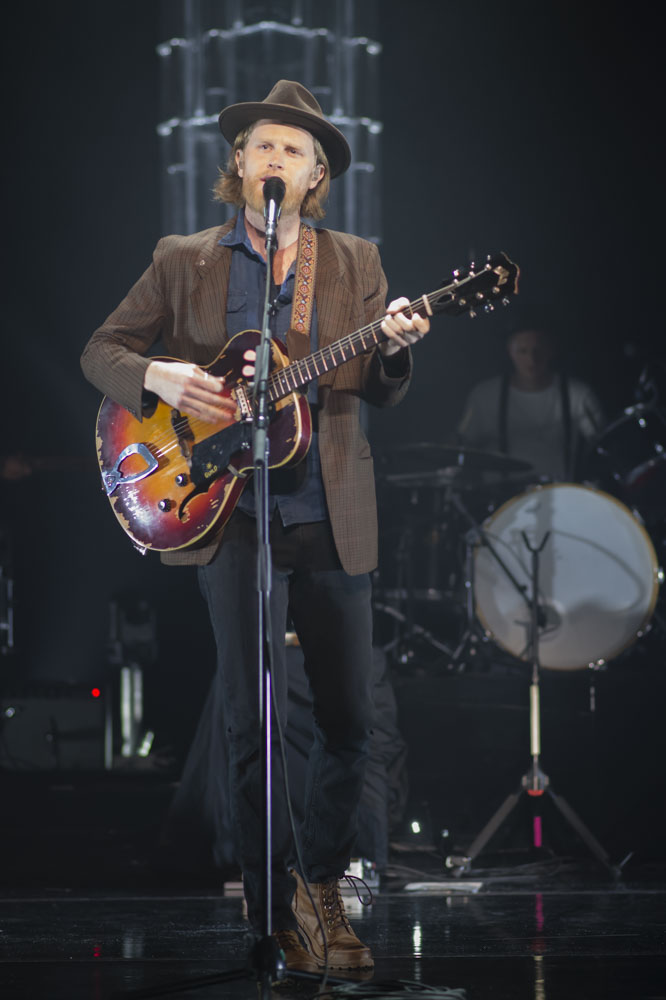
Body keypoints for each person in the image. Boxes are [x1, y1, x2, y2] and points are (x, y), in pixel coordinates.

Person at [81, 80, 429, 973]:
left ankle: (320, 889)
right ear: (238, 164)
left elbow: (379, 387)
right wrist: (161, 377)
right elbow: (100, 351)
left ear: (316, 177)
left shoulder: (354, 261)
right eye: (261, 145)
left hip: (330, 515)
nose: (275, 158)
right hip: (228, 512)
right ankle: (271, 914)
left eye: (293, 150)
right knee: (250, 722)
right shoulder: (185, 259)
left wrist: (393, 348)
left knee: (350, 722)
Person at [458, 326, 604, 482]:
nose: (531, 359)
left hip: (562, 492)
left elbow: (602, 442)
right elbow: (462, 441)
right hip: (501, 494)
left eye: (538, 350)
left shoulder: (578, 394)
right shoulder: (485, 395)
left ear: (550, 350)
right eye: (522, 351)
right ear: (510, 352)